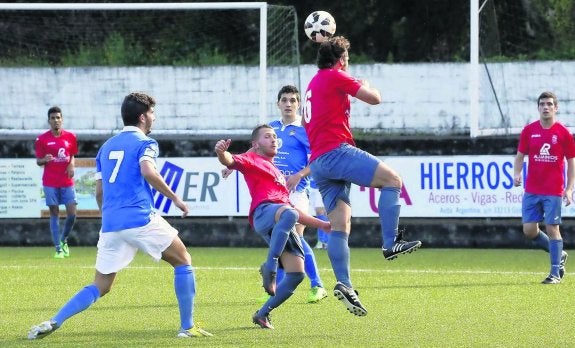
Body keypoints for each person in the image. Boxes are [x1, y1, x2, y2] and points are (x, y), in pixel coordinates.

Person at [28, 92, 212, 340]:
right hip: (140, 218)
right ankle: (187, 327)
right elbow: (148, 171)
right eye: (152, 113)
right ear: (142, 117)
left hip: (111, 224)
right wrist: (175, 198)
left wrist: (110, 218)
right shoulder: (146, 143)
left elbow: (100, 191)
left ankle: (55, 320)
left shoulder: (106, 147)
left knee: (101, 285)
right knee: (183, 259)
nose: (154, 118)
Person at [302, 36, 422, 316]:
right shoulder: (335, 76)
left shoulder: (314, 82)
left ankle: (344, 284)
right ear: (342, 59)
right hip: (337, 152)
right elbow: (375, 99)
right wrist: (366, 85)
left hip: (319, 162)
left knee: (340, 228)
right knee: (393, 181)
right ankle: (391, 243)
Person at [215, 124, 330, 329]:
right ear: (256, 144)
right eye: (268, 137)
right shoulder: (251, 159)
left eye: (275, 136)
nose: (274, 139)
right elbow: (230, 160)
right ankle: (271, 266)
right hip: (264, 213)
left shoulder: (277, 173)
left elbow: (294, 210)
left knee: (297, 274)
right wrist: (221, 153)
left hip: (281, 219)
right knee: (289, 214)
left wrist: (323, 225)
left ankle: (262, 313)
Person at [513, 91, 573, 284]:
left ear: (556, 108)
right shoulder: (529, 131)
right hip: (532, 189)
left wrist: (569, 188)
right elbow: (520, 156)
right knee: (529, 230)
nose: (545, 107)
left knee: (552, 227)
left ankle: (555, 273)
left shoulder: (563, 133)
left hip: (553, 190)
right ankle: (560, 254)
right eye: (542, 104)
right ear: (538, 108)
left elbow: (572, 162)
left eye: (549, 104)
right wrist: (517, 173)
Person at [35, 106, 78, 259]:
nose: (56, 120)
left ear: (62, 119)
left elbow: (72, 154)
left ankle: (64, 239)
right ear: (49, 121)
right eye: (53, 118)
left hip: (67, 181)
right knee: (54, 213)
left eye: (58, 117)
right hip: (50, 182)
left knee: (72, 214)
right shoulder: (42, 139)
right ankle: (58, 248)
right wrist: (44, 160)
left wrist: (72, 163)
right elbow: (38, 161)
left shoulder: (71, 137)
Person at [309, 177, 329, 250]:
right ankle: (323, 241)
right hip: (308, 185)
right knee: (318, 213)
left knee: (321, 211)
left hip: (320, 185)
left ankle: (324, 241)